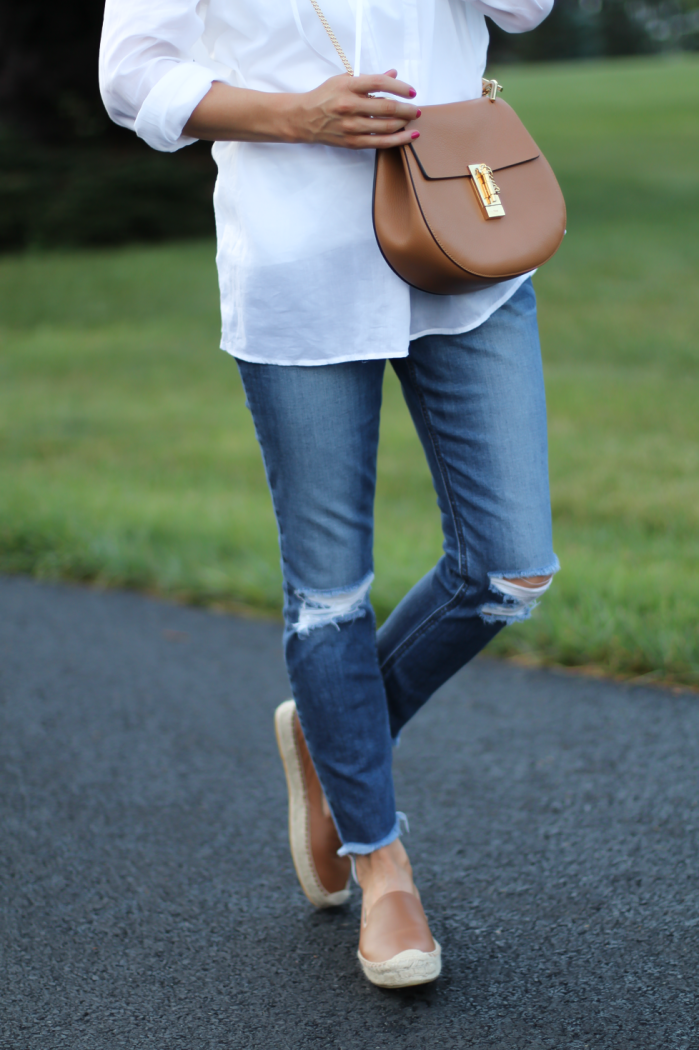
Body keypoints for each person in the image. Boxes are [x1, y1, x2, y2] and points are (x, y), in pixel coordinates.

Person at [100, 0, 557, 989]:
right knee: (330, 593)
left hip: (465, 229)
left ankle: (330, 728)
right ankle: (381, 863)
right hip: (299, 257)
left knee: (513, 565)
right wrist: (295, 115)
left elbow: (527, 9)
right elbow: (132, 71)